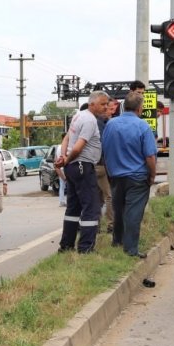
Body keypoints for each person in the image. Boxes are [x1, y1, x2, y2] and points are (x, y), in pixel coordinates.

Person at [101, 91, 157, 258]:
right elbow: (150, 156)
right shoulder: (143, 126)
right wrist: (152, 175)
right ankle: (130, 249)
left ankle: (117, 241)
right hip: (138, 176)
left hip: (116, 176)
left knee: (119, 210)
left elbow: (104, 150)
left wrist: (110, 172)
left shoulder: (110, 125)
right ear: (139, 109)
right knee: (133, 213)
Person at [56, 90, 110, 253]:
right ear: (92, 104)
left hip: (72, 167)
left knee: (73, 207)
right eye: (102, 104)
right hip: (82, 166)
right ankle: (86, 248)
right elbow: (78, 147)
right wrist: (67, 158)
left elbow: (66, 138)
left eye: (106, 104)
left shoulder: (78, 115)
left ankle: (66, 245)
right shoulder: (90, 121)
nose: (105, 107)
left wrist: (64, 157)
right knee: (91, 207)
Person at [96, 99, 118, 232]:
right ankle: (111, 224)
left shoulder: (100, 123)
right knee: (109, 195)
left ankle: (95, 224)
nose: (111, 112)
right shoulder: (101, 125)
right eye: (109, 109)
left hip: (96, 165)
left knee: (97, 197)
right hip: (101, 165)